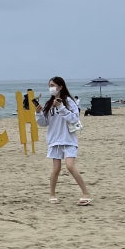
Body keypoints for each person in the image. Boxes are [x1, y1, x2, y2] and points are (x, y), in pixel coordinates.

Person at [34, 76, 91, 205]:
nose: (51, 88)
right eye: (49, 86)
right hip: (54, 140)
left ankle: (86, 193)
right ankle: (52, 194)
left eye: (53, 85)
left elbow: (74, 118)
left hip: (68, 139)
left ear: (60, 87)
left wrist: (61, 107)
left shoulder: (69, 101)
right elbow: (44, 123)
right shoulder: (49, 103)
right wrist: (38, 113)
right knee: (56, 169)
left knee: (70, 166)